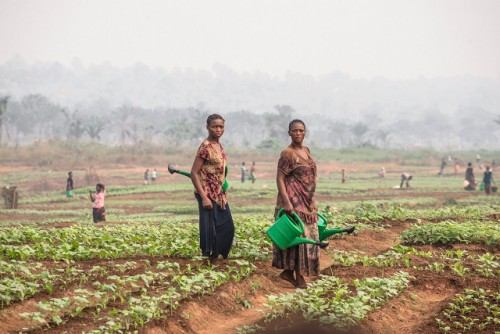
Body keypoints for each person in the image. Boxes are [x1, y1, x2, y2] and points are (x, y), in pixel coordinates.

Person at [272, 119, 320, 289]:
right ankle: (299, 279)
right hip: (293, 201)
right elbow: (280, 178)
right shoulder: (287, 153)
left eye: (301, 130)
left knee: (307, 238)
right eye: (295, 130)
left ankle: (289, 273)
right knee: (300, 240)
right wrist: (286, 202)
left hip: (306, 201)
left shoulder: (306, 151)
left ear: (305, 132)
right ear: (289, 133)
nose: (298, 133)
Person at [190, 114, 234, 264]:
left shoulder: (218, 145)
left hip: (219, 193)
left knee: (227, 226)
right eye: (215, 126)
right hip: (207, 193)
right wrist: (203, 197)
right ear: (207, 127)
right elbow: (194, 173)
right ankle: (210, 259)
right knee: (210, 229)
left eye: (221, 126)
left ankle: (218, 256)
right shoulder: (206, 147)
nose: (218, 129)